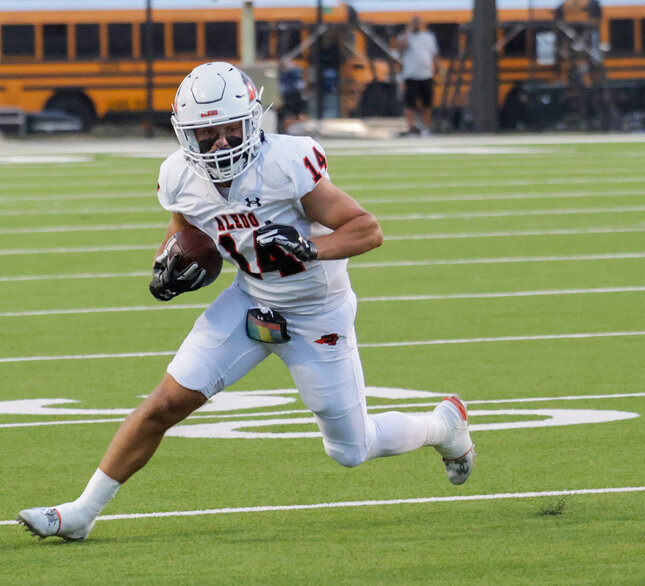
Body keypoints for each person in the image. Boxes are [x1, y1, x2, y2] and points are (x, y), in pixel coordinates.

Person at [17, 62, 475, 542]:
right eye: (204, 133)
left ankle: (443, 426)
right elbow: (186, 233)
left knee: (350, 449)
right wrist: (167, 268)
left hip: (316, 311)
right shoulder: (178, 176)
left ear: (252, 121)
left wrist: (310, 247)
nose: (217, 143)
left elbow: (367, 229)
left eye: (227, 128)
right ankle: (81, 513)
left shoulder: (287, 164)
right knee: (162, 405)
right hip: (249, 301)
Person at [397, 16, 440, 136]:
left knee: (427, 104)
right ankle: (411, 128)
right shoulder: (405, 36)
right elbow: (401, 48)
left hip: (426, 74)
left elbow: (434, 53)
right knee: (409, 104)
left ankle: (425, 129)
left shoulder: (428, 37)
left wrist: (437, 66)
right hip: (411, 75)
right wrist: (408, 30)